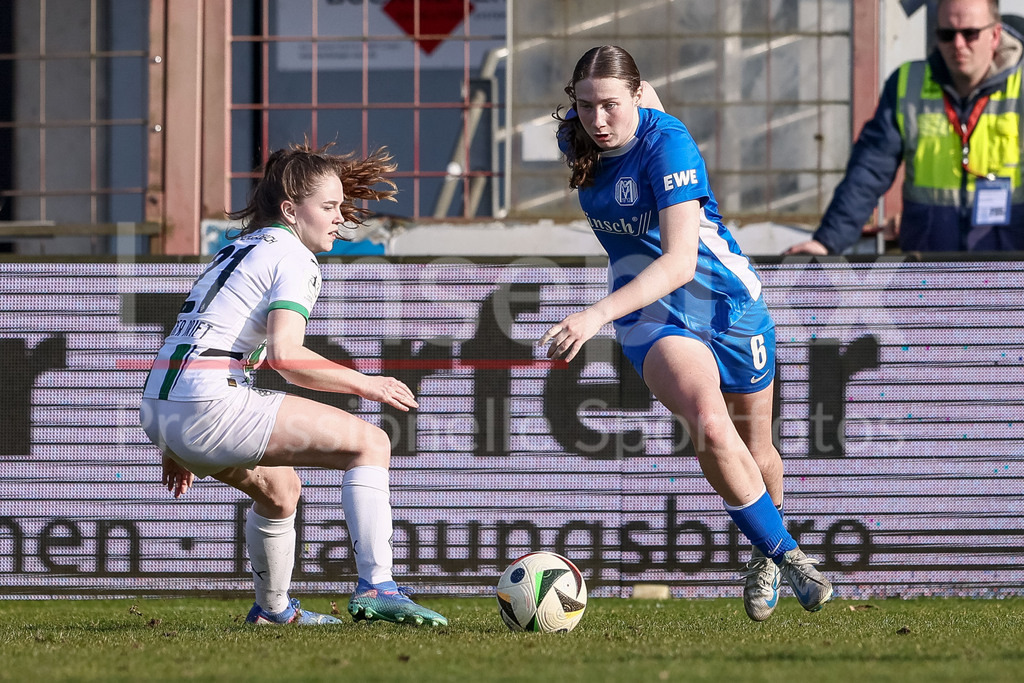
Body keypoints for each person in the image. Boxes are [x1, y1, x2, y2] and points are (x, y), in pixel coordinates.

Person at [544, 45, 833, 622]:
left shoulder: (669, 143)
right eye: (584, 106)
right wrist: (613, 314)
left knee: (758, 447)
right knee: (706, 420)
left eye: (610, 106)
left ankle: (764, 551)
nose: (597, 121)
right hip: (651, 314)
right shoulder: (575, 137)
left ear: (636, 96)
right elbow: (658, 277)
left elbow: (680, 263)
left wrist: (594, 314)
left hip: (724, 302)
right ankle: (788, 554)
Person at [139, 142, 447, 628]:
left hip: (161, 407)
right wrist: (367, 384)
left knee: (280, 491)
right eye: (328, 207)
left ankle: (273, 612)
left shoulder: (236, 249)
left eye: (341, 206)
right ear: (290, 209)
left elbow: (191, 336)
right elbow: (287, 356)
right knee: (371, 442)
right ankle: (377, 584)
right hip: (204, 402)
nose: (339, 218)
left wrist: (174, 443)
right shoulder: (294, 257)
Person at [787, 0, 1024, 255]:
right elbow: (868, 171)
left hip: (1009, 275)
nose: (958, 45)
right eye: (946, 35)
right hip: (927, 274)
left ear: (995, 34)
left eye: (970, 34)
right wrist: (826, 241)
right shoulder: (907, 85)